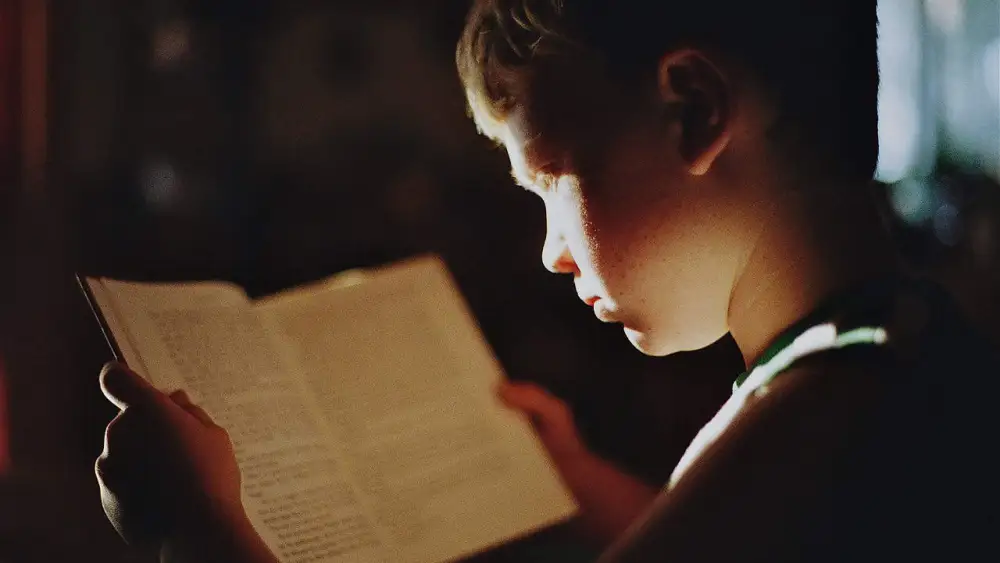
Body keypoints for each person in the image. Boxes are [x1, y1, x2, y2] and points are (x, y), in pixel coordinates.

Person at [95, 1, 999, 562]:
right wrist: (574, 479)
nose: (551, 252)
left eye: (554, 180)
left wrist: (203, 526)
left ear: (693, 110)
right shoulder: (889, 346)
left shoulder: (824, 415)